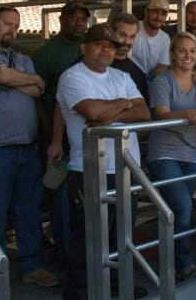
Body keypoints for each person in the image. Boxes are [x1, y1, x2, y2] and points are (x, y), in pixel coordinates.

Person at [0, 6, 59, 288]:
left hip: (26, 148)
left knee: (28, 211)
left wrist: (2, 78)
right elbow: (10, 78)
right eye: (7, 23)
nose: (12, 30)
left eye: (16, 25)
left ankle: (33, 267)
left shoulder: (22, 58)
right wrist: (5, 77)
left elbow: (37, 89)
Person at [56, 24, 150, 299]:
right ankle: (80, 291)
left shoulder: (121, 75)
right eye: (98, 44)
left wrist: (110, 112)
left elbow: (144, 113)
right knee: (88, 236)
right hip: (88, 169)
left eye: (110, 44)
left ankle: (118, 285)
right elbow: (92, 111)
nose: (106, 48)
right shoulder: (72, 77)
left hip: (125, 167)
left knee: (122, 234)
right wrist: (124, 103)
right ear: (84, 47)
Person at [147, 32, 196, 280]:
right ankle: (184, 264)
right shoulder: (162, 81)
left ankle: (173, 262)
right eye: (182, 50)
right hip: (164, 153)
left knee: (179, 211)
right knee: (184, 208)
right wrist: (189, 113)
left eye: (192, 51)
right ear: (172, 53)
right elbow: (162, 114)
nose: (187, 55)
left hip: (191, 153)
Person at [33, 0, 90, 268]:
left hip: (84, 136)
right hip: (59, 137)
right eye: (73, 18)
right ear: (61, 20)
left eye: (83, 19)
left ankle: (83, 257)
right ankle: (65, 259)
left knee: (84, 200)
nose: (79, 23)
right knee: (62, 201)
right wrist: (51, 135)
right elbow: (39, 97)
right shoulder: (46, 54)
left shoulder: (89, 50)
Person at [108, 12, 149, 105]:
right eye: (122, 35)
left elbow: (142, 111)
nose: (127, 41)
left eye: (132, 37)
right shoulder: (95, 64)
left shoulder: (138, 74)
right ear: (110, 33)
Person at [130, 0, 171, 82]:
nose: (159, 17)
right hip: (129, 77)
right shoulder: (133, 28)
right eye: (155, 12)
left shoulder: (165, 38)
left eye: (163, 14)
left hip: (151, 80)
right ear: (146, 12)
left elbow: (162, 66)